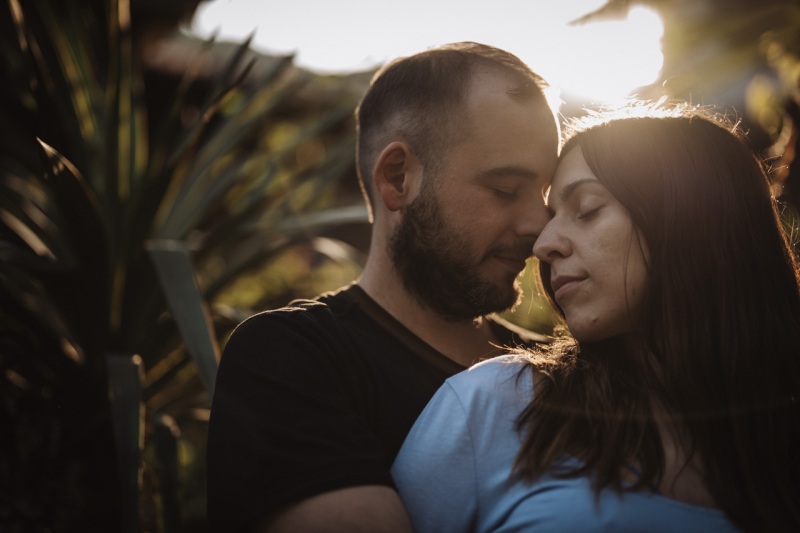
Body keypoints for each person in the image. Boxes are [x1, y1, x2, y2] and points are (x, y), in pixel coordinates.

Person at [392, 103, 800, 532]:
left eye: (586, 209)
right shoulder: (497, 403)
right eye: (552, 219)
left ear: (689, 219)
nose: (543, 245)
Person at [206, 42, 560, 532]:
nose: (539, 225)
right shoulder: (294, 358)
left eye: (546, 195)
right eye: (504, 189)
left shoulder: (567, 376)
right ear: (398, 177)